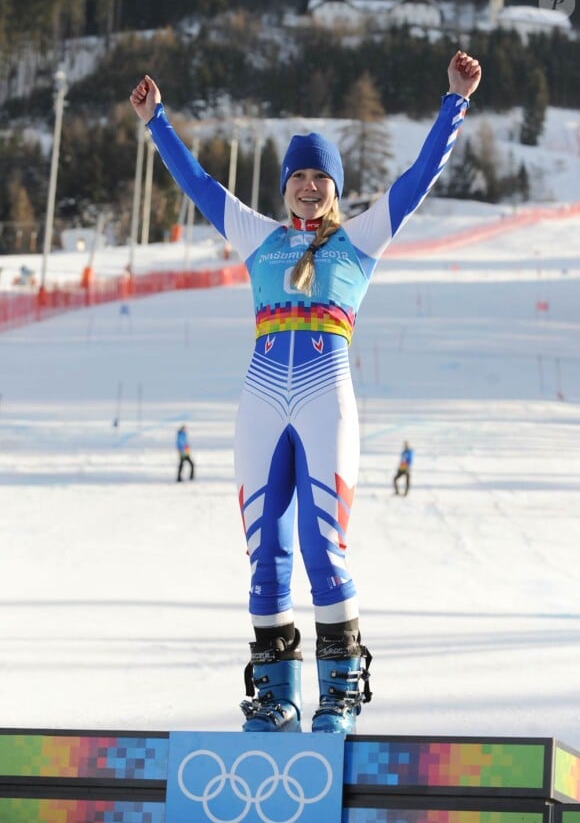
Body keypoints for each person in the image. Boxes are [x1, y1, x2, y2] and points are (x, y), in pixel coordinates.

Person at [130, 50, 481, 734]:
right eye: (300, 176)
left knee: (324, 549)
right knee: (266, 554)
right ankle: (276, 694)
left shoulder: (360, 241)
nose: (311, 186)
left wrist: (454, 103)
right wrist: (156, 121)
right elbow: (197, 183)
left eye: (323, 177)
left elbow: (415, 181)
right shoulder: (257, 237)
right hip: (261, 406)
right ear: (286, 185)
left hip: (326, 405)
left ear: (336, 188)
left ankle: (340, 693)